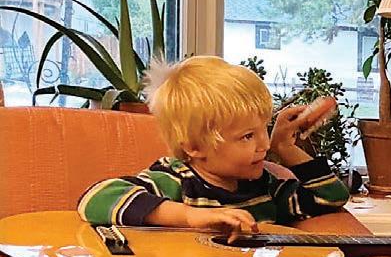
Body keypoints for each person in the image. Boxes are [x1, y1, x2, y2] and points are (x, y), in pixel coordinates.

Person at [78, 56, 350, 237]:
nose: (264, 144)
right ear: (194, 146)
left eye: (264, 129)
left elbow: (330, 198)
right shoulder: (175, 181)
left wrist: (286, 149)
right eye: (247, 136)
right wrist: (192, 217)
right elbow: (95, 198)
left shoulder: (265, 188)